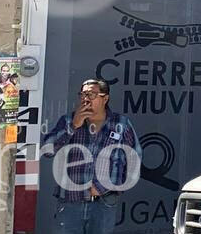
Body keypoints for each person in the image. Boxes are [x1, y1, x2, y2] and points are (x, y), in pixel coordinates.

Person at [41, 78, 141, 234]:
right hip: (70, 203)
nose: (85, 99)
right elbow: (47, 150)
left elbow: (134, 159)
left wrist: (113, 188)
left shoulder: (121, 124)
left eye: (91, 94)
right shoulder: (68, 120)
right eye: (82, 94)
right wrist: (73, 126)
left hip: (104, 203)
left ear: (105, 98)